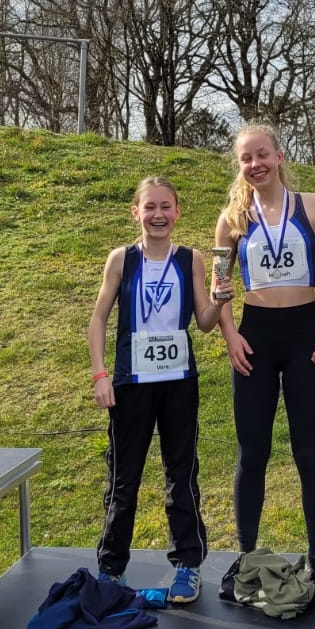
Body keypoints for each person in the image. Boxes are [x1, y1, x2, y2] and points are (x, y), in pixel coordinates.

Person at [213, 125, 315, 602]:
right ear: (240, 165)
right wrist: (229, 334)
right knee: (252, 454)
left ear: (279, 155)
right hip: (254, 340)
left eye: (262, 155)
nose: (256, 165)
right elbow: (218, 286)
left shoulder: (313, 206)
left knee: (310, 453)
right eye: (246, 159)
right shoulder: (232, 218)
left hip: (304, 337)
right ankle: (246, 556)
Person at [88, 175, 230, 603]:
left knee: (181, 475)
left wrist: (221, 299)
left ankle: (187, 565)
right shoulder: (121, 259)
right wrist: (99, 375)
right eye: (149, 207)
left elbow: (203, 322)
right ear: (136, 212)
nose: (158, 215)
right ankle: (111, 569)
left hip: (178, 383)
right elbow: (98, 320)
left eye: (166, 207)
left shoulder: (192, 259)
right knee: (123, 479)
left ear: (177, 211)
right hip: (131, 383)